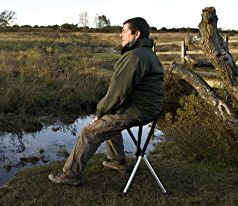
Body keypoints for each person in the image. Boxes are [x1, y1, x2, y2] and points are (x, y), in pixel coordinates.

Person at [48, 17, 164, 185]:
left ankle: (71, 174)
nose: (120, 35)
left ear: (136, 34)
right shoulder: (149, 54)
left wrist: (100, 112)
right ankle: (118, 162)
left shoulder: (134, 56)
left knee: (89, 132)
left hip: (138, 111)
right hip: (151, 110)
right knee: (109, 122)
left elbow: (117, 93)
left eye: (124, 31)